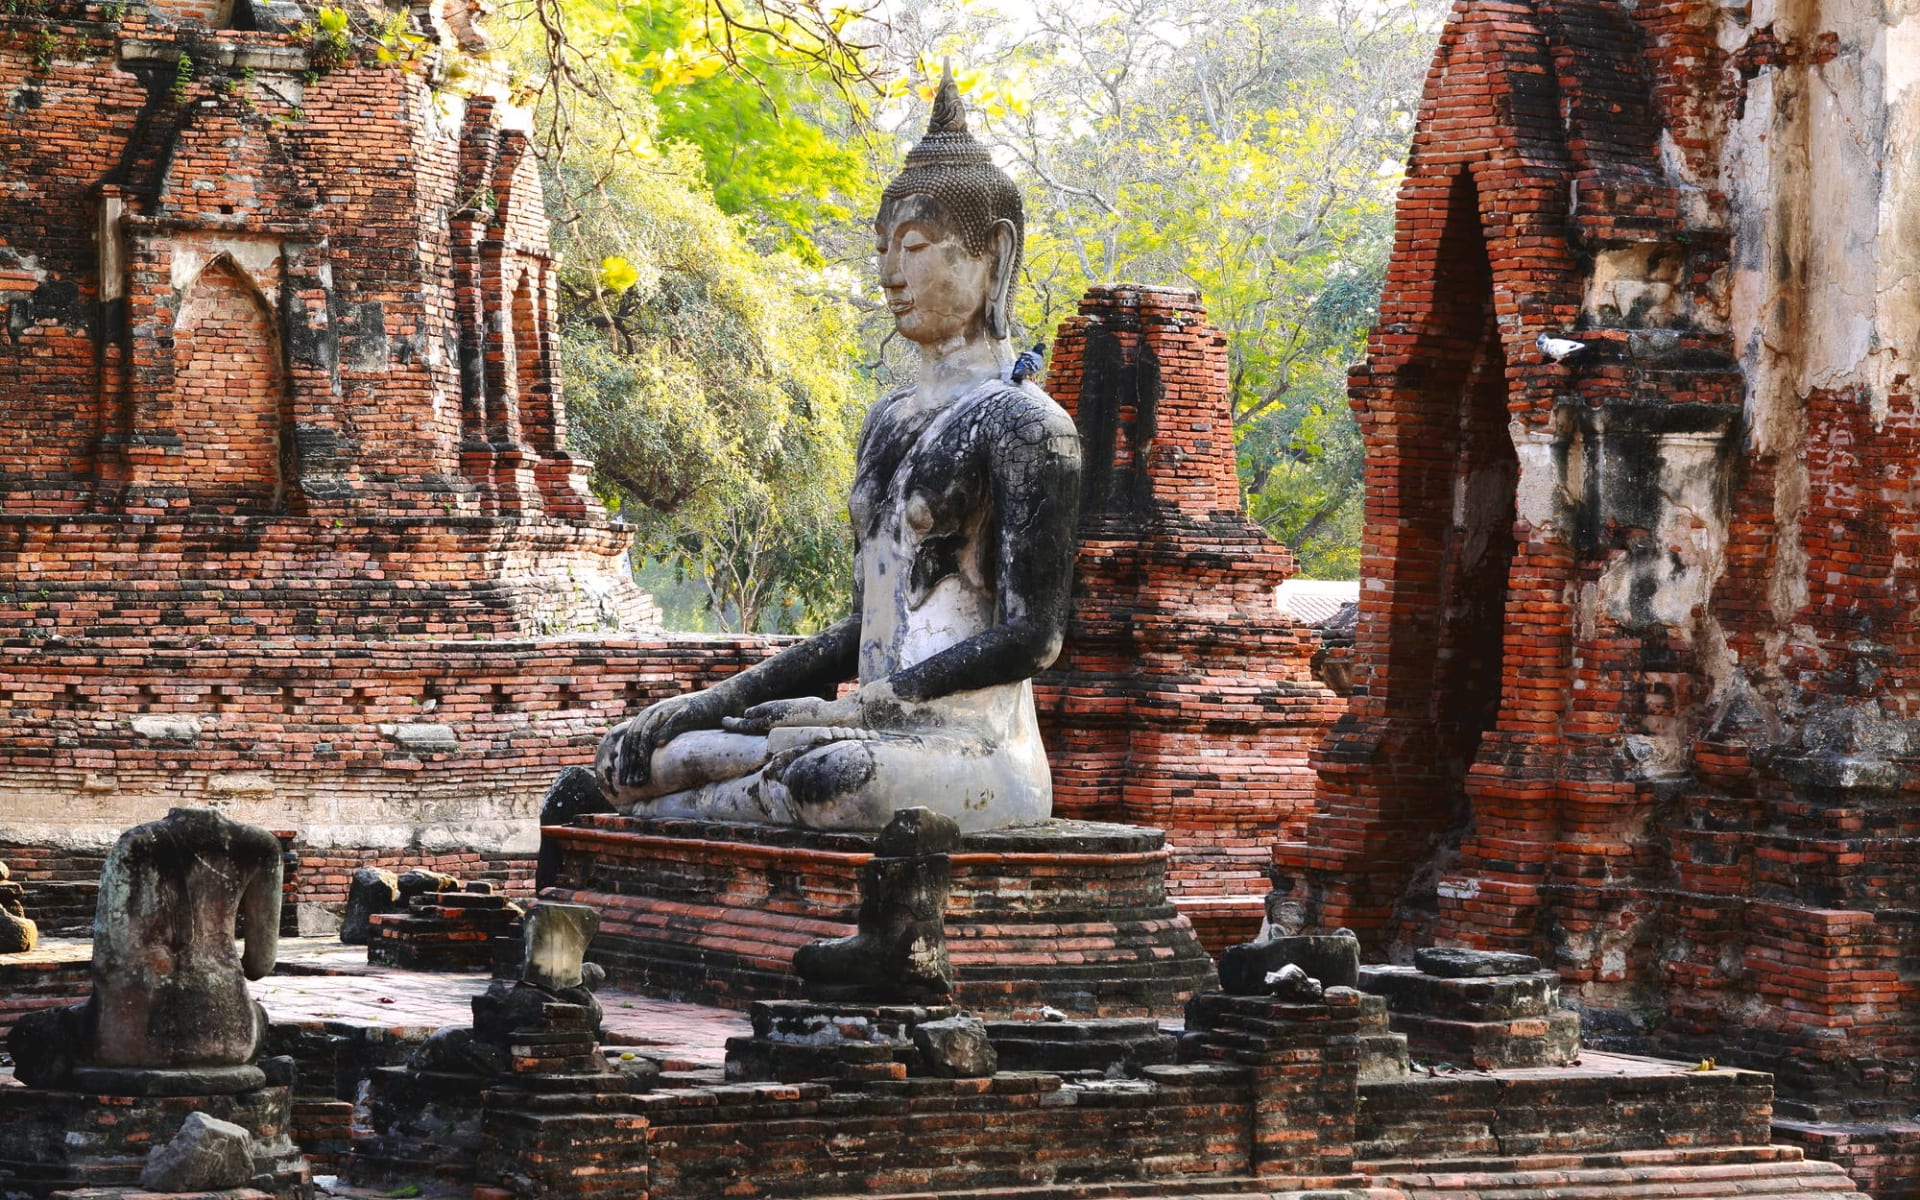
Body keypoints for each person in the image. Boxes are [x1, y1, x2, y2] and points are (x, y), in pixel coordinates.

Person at [595, 70, 1082, 832]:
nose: (890, 272)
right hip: (873, 729)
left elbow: (1031, 637)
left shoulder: (1026, 425)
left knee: (828, 776)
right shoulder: (887, 419)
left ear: (995, 252)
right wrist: (718, 698)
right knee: (630, 764)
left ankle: (696, 814)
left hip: (968, 747)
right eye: (882, 245)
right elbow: (865, 628)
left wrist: (864, 711)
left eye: (916, 245)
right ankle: (693, 806)